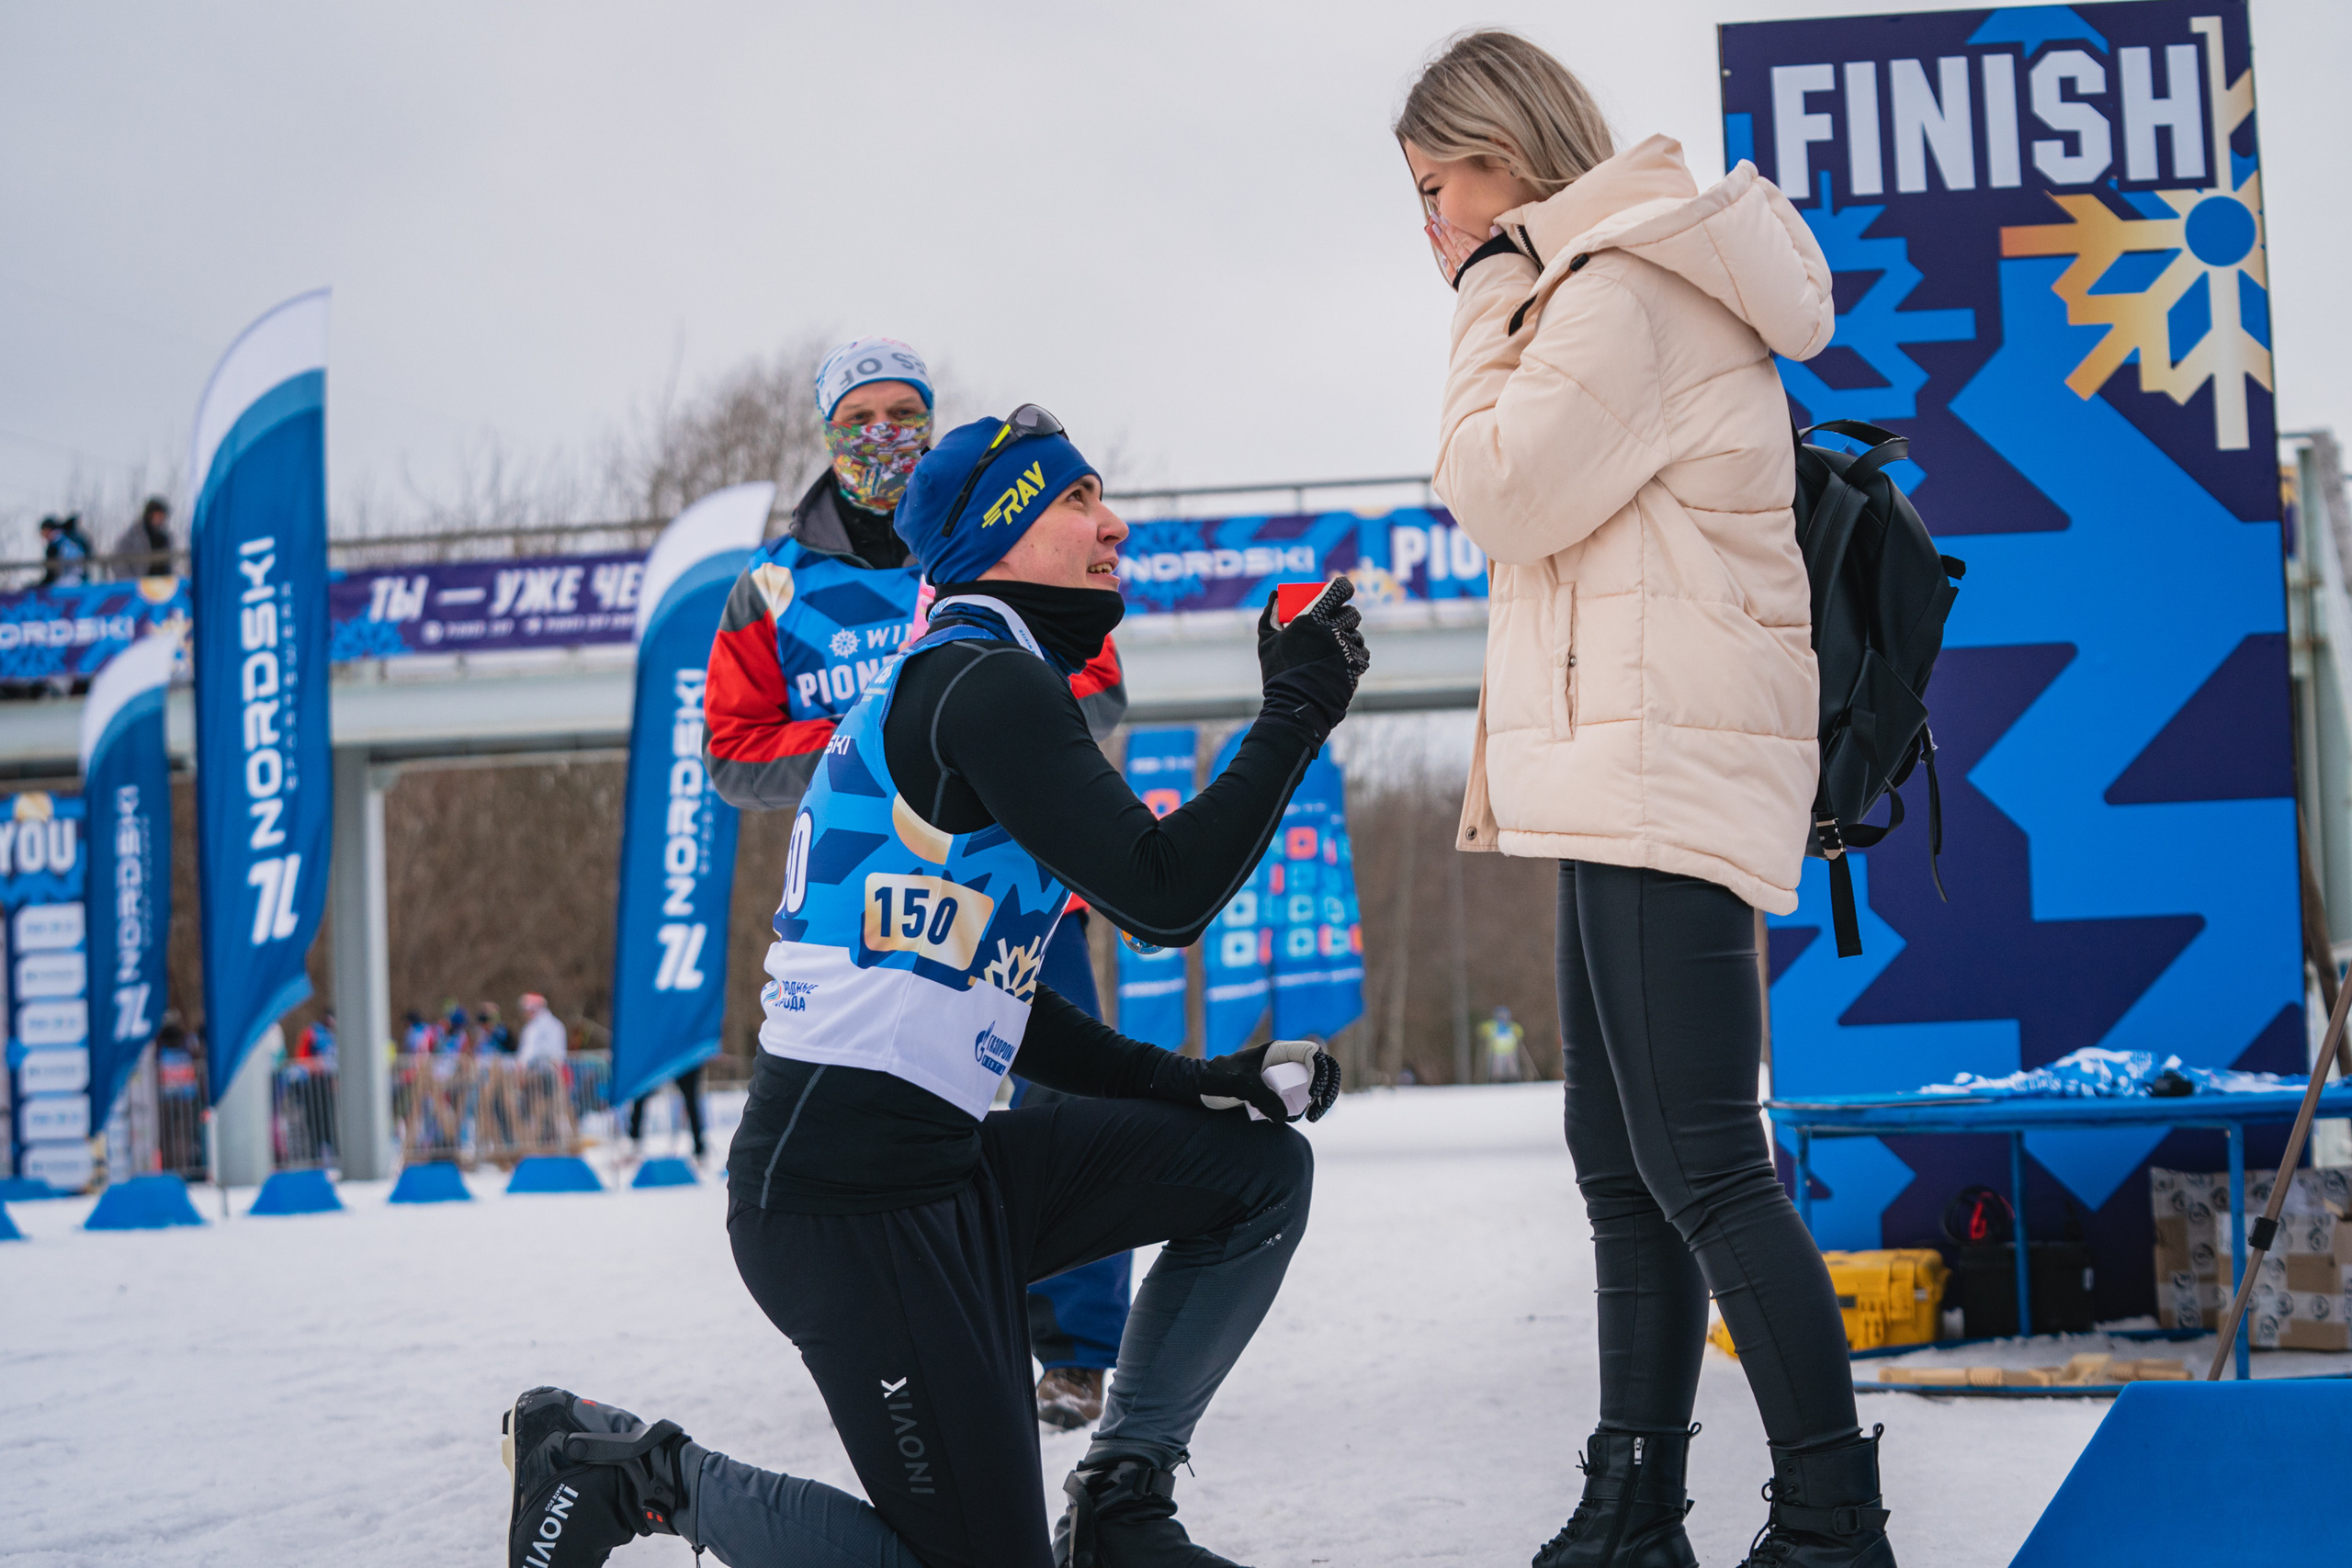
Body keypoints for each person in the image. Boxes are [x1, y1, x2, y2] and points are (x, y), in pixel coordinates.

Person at [504, 405, 1369, 1568]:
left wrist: (1197, 1083)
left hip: (948, 1175)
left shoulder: (980, 679)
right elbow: (1163, 899)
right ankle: (622, 1472)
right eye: (1076, 499)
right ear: (999, 532)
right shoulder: (978, 684)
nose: (1113, 525)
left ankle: (1119, 1499)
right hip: (842, 1209)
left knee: (1254, 1172)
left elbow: (999, 1000)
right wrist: (1296, 709)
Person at [1398, 30, 1886, 1568]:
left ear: (1511, 155)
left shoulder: (1618, 292)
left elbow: (1497, 488)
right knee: (1626, 1168)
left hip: (1658, 766)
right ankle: (1637, 1504)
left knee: (1704, 1165)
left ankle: (1829, 1521)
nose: (1430, 229)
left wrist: (1489, 292)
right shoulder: (1607, 285)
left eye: (1437, 188)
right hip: (1618, 768)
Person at [702, 333, 1137, 1428]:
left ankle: (1076, 1349)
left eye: (908, 416)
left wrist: (982, 729)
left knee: (1072, 1092)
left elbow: (1097, 689)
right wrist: (884, 735)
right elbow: (730, 755)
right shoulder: (771, 585)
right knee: (892, 1113)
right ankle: (920, 1318)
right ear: (827, 436)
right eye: (861, 421)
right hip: (866, 904)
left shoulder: (990, 534)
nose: (886, 437)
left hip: (1029, 887)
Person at [627, 1064, 708, 1161]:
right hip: (662, 1058)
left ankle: (699, 1148)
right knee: (641, 1090)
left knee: (691, 1101)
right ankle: (634, 1140)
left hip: (685, 1061)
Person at [112, 496, 174, 580]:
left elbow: (168, 564)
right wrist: (131, 583)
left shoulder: (164, 537)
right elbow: (118, 560)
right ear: (150, 514)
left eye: (163, 516)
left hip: (162, 586)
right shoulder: (133, 535)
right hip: (139, 586)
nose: (161, 519)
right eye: (158, 515)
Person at [39, 513, 93, 586]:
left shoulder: (55, 542)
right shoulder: (72, 537)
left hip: (63, 583)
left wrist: (42, 584)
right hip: (82, 581)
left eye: (43, 532)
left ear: (48, 529)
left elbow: (51, 571)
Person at [1479, 1004, 1529, 1084]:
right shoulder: (1492, 1026)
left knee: (1512, 1068)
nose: (1502, 1017)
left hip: (1510, 1051)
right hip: (1496, 1052)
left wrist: (1517, 1033)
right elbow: (1482, 1030)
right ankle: (1497, 1082)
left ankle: (1514, 1081)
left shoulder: (1512, 1026)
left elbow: (1520, 1032)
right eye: (1500, 1015)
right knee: (1497, 1069)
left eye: (1504, 1015)